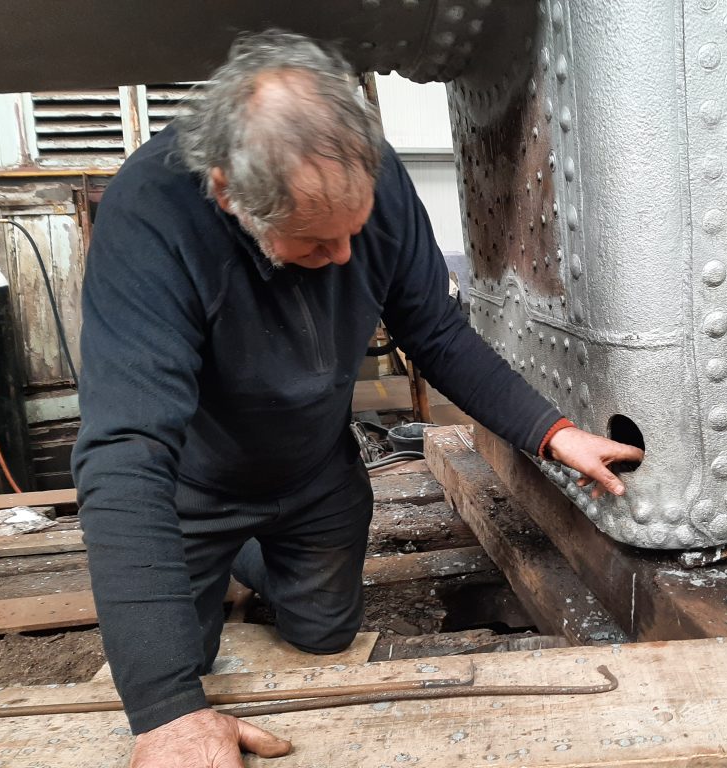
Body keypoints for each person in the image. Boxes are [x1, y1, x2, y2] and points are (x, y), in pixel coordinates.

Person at [71, 30, 643, 768]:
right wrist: (167, 709)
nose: (344, 259)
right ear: (227, 194)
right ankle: (223, 560)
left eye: (355, 232)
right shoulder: (150, 216)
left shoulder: (370, 177)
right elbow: (125, 454)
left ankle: (255, 561)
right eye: (314, 245)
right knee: (186, 662)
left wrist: (554, 433)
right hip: (196, 492)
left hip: (315, 475)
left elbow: (434, 333)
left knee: (324, 635)